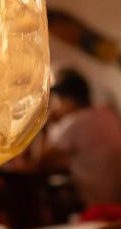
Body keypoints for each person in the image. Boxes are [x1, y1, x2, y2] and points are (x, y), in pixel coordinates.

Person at [39, 69, 121, 207]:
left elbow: (42, 160)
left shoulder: (75, 122)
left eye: (58, 101)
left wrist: (44, 126)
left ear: (68, 100)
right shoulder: (107, 114)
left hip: (96, 203)